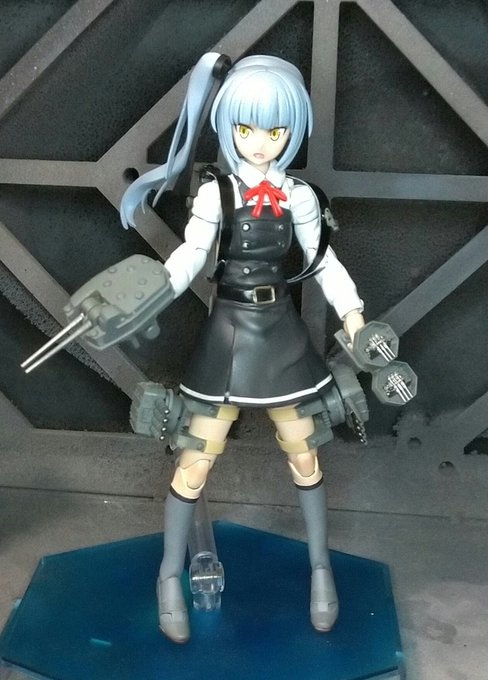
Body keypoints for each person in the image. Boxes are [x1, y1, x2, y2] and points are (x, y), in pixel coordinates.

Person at [120, 52, 365, 644]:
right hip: (229, 333)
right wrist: (149, 294)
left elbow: (323, 262)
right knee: (196, 457)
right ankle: (169, 575)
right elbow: (190, 256)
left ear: (291, 132)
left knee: (305, 452)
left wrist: (355, 316)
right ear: (229, 127)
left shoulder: (298, 196)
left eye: (275, 132)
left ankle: (321, 569)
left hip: (280, 330)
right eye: (247, 129)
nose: (260, 144)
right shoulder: (216, 195)